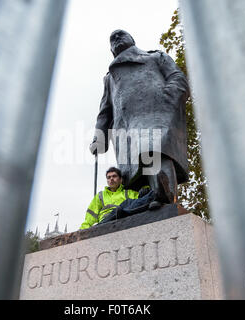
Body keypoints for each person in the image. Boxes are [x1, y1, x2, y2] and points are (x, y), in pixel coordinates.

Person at [89, 30, 190, 208]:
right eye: (112, 39)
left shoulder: (156, 57)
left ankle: (166, 197)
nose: (117, 38)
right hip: (126, 129)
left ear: (132, 39)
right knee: (135, 172)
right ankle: (147, 201)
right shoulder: (110, 78)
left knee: (154, 152)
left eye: (121, 35)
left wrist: (166, 100)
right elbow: (105, 110)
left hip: (156, 117)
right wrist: (99, 138)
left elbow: (178, 79)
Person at [80, 167, 156, 229]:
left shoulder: (128, 193)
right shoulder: (100, 196)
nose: (111, 179)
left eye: (114, 176)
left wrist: (145, 189)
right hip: (106, 220)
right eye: (109, 177)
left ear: (120, 180)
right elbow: (90, 217)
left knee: (129, 202)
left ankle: (156, 194)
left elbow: (140, 201)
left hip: (123, 215)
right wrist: (82, 231)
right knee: (124, 205)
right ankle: (117, 212)